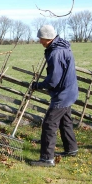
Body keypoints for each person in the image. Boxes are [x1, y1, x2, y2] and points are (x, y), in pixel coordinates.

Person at [30, 25, 79, 167]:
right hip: (69, 90)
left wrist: (38, 85)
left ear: (48, 38)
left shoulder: (55, 53)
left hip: (63, 93)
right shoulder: (63, 47)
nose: (40, 42)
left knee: (49, 124)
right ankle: (71, 149)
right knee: (65, 121)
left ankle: (46, 159)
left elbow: (53, 80)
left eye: (41, 38)